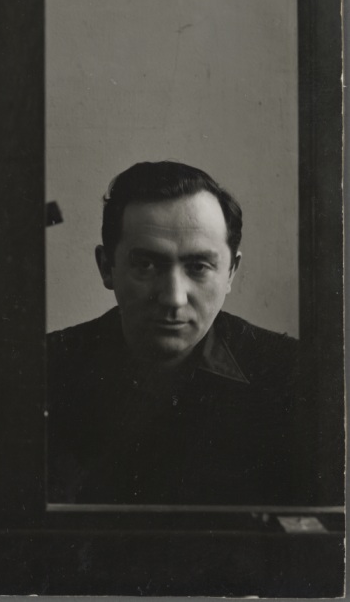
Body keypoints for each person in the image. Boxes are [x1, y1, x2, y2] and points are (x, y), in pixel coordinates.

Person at [48, 160, 305, 505]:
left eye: (198, 267)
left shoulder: (292, 376)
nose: (173, 297)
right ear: (107, 267)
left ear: (231, 272)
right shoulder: (45, 370)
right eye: (146, 265)